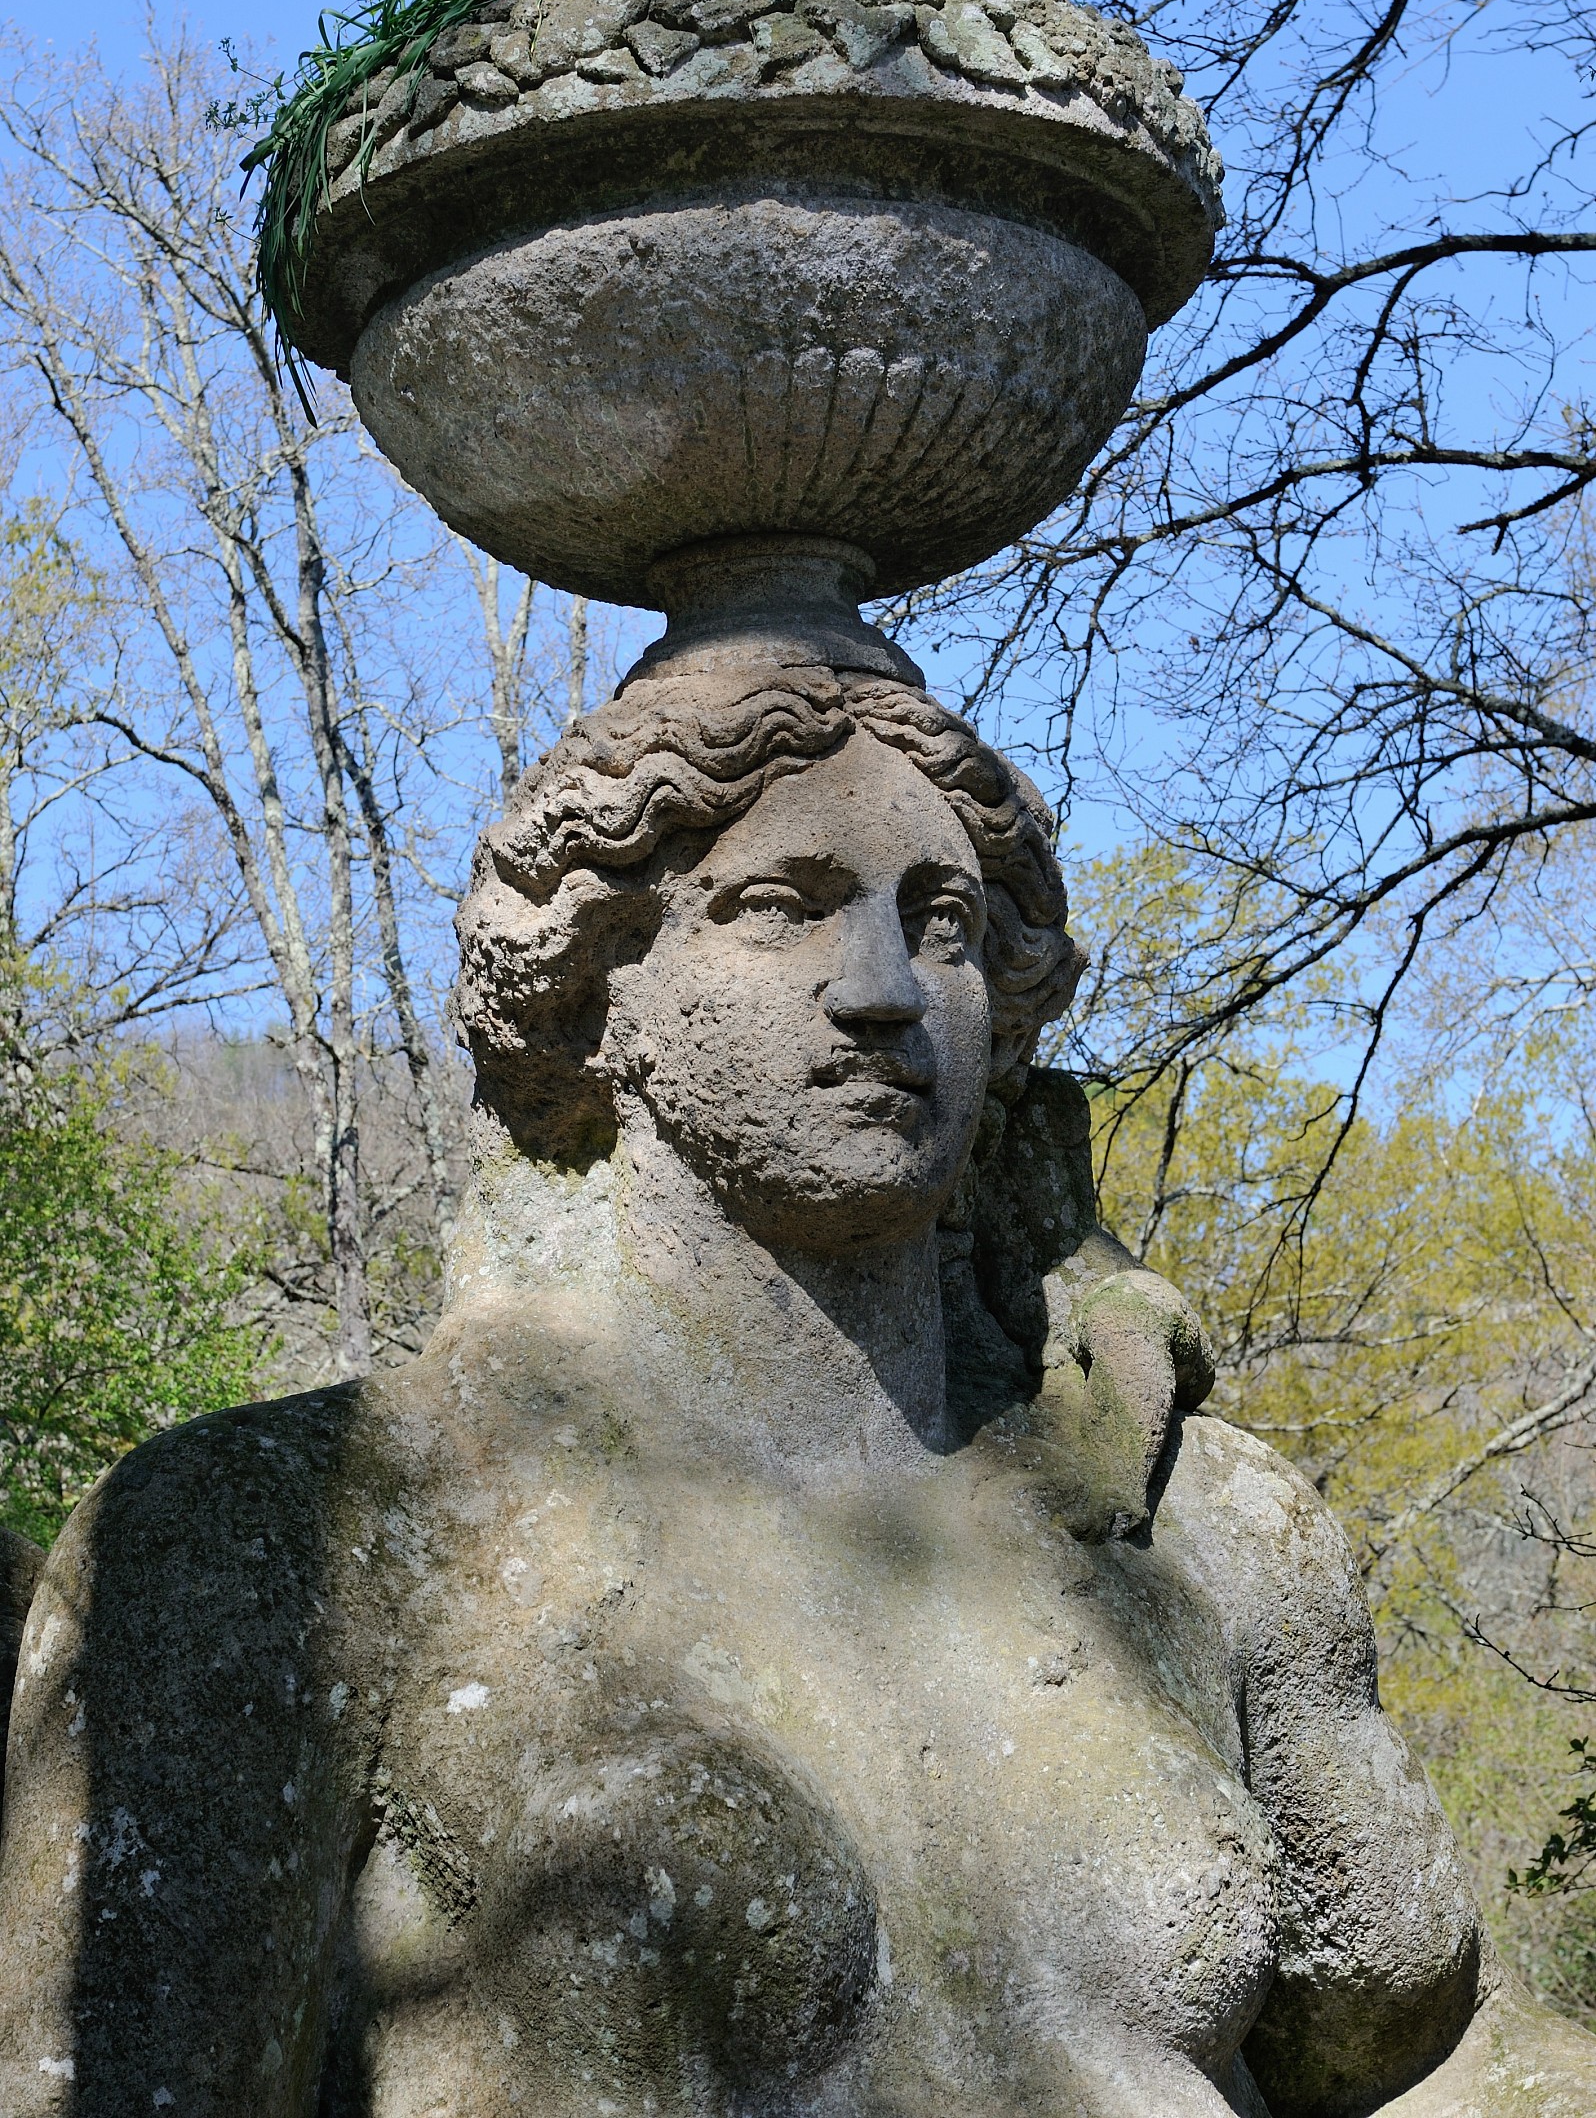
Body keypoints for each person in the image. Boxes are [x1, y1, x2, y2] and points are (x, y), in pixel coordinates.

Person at [1, 659, 1589, 2115]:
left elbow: (1403, 2030)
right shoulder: (293, 1544)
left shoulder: (1212, 1535)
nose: (886, 987)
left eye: (947, 923)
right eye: (783, 905)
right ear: (600, 978)